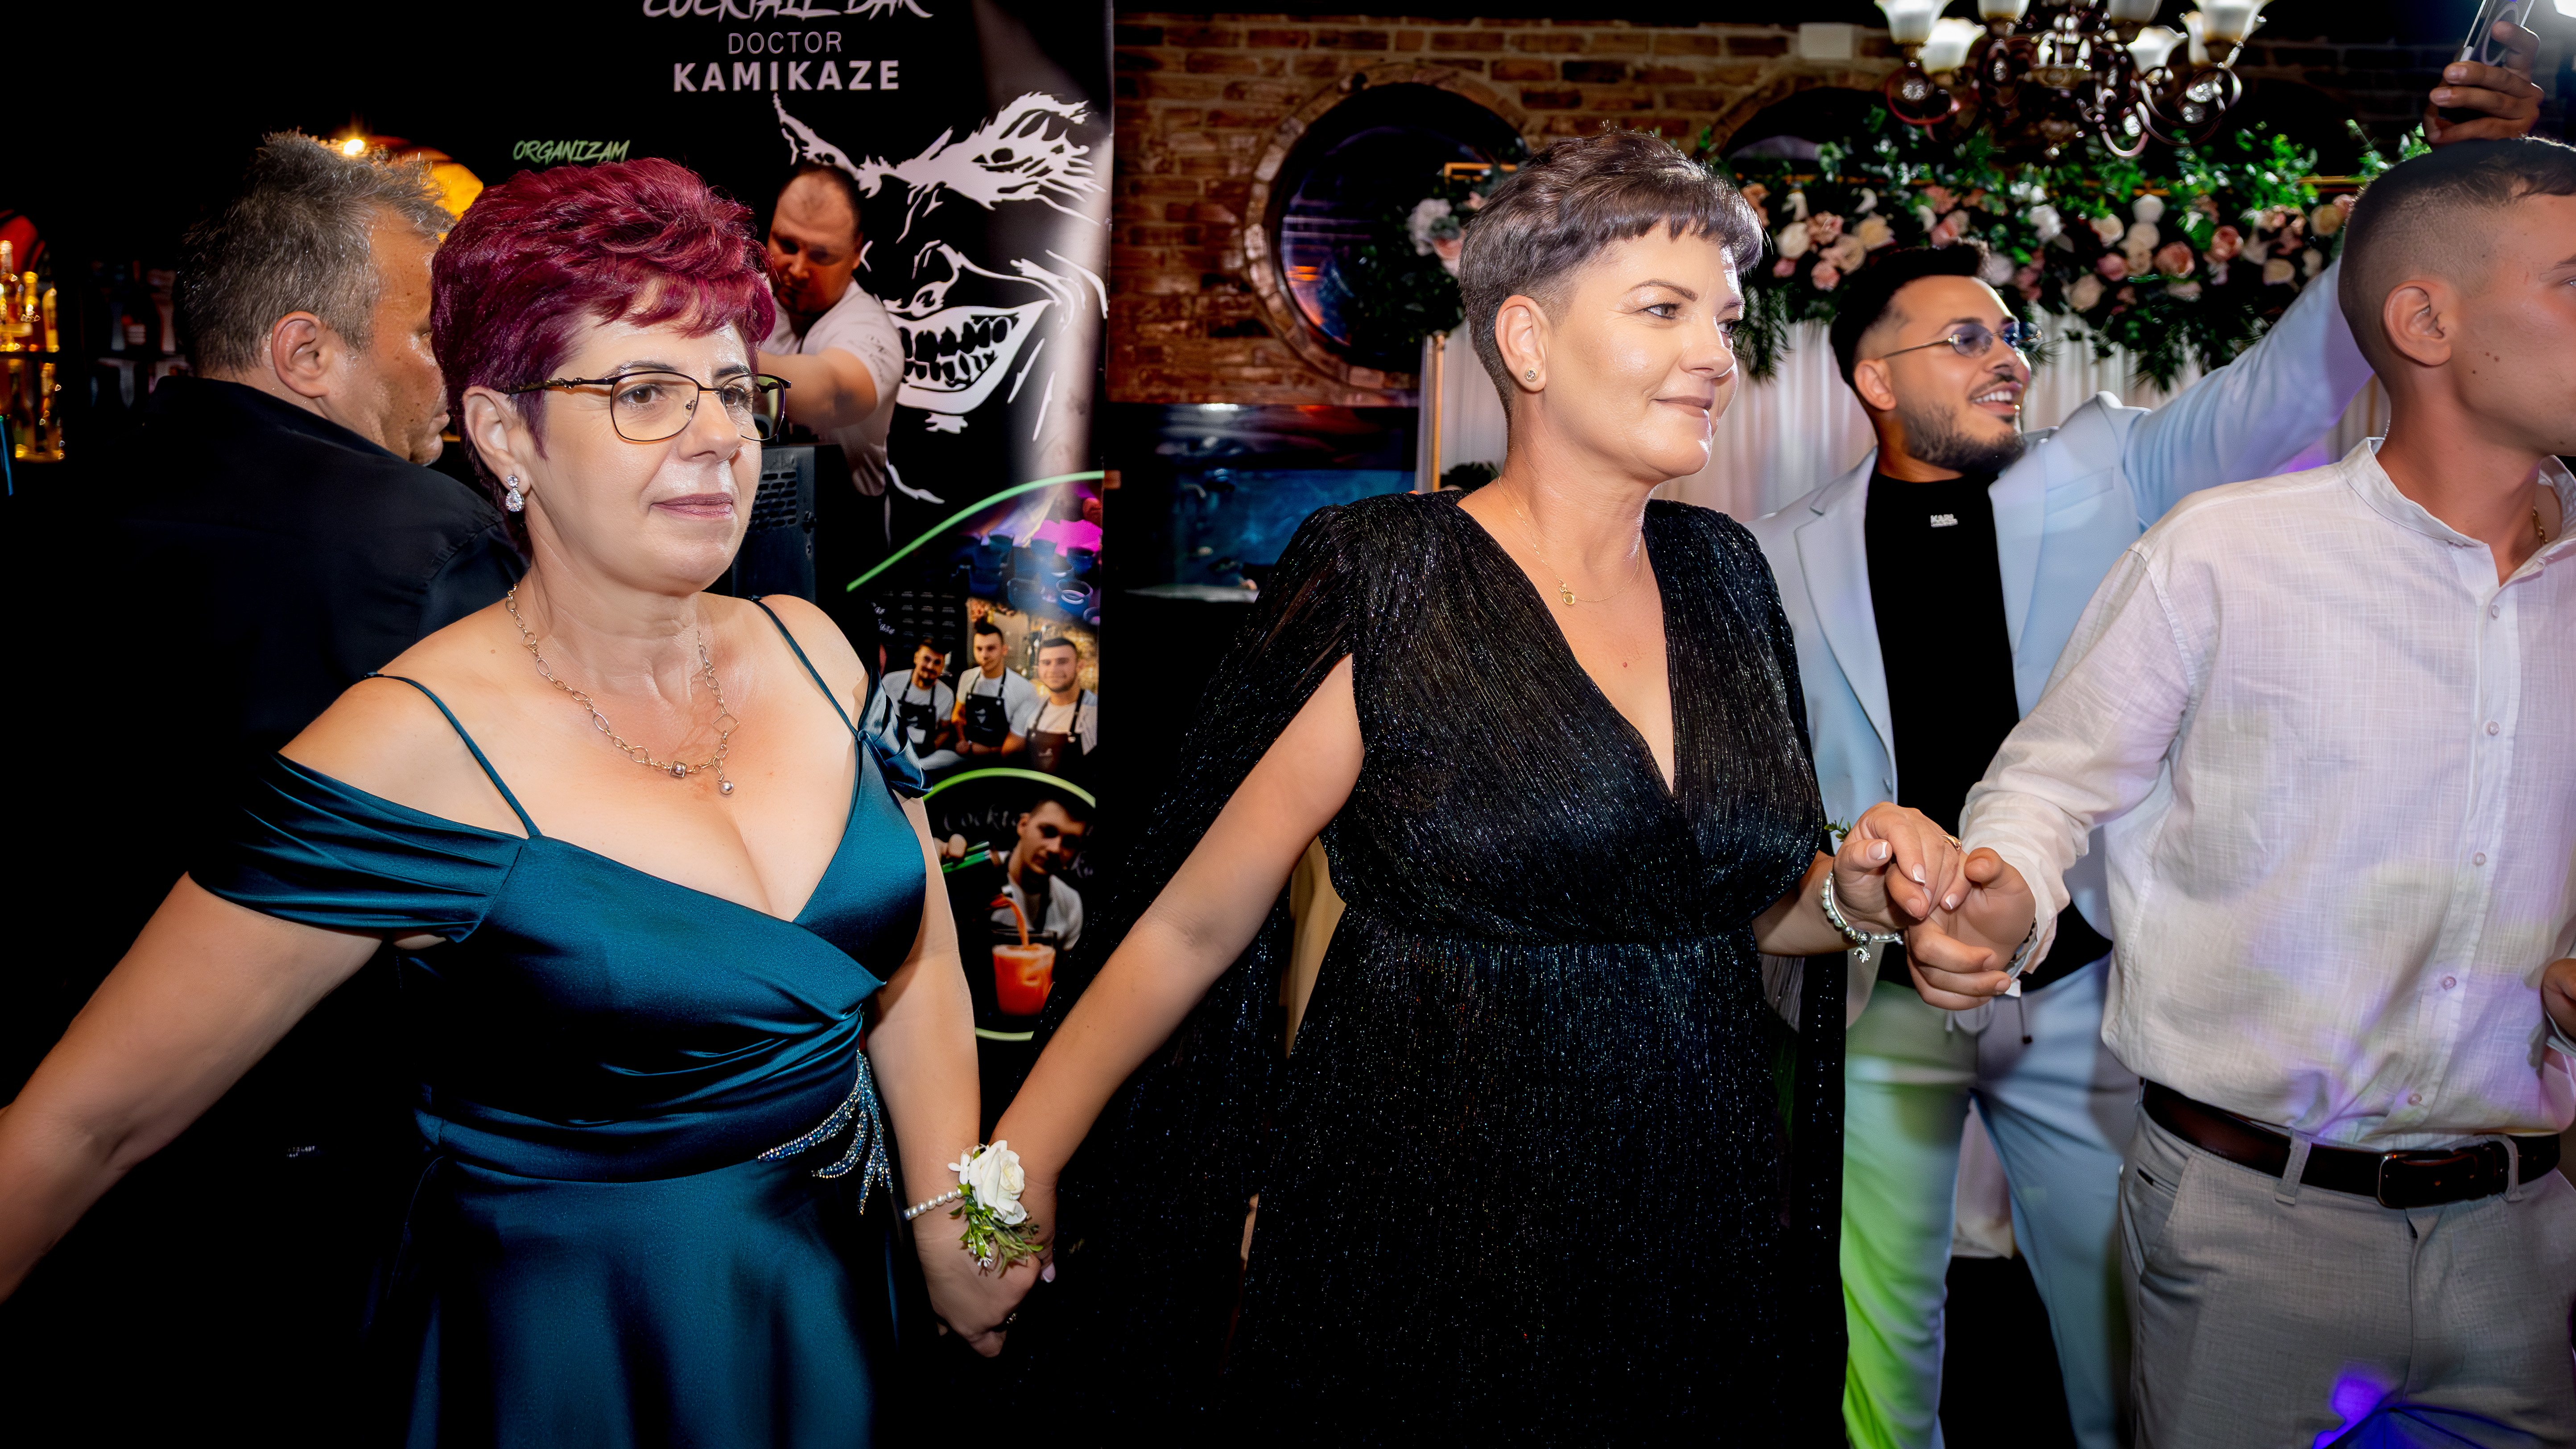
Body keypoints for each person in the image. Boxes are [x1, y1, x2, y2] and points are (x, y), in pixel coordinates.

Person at [976, 131, 1984, 1439]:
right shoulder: (1389, 578)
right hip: (1431, 1231)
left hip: (1696, 1217)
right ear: (1525, 339)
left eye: (1724, 320)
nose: (1712, 355)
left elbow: (1721, 901)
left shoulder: (1726, 575)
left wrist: (1854, 896)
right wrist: (1005, 1174)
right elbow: (1191, 922)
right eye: (1662, 310)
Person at [0, 157, 1014, 1443]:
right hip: (576, 1358)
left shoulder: (809, 648)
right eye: (643, 392)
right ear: (503, 433)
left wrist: (958, 1213)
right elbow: (83, 1124)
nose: (717, 434)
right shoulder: (408, 744)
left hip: (832, 1311)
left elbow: (920, 967)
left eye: (728, 388)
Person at [1743, 33, 2544, 1447]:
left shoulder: (2116, 468)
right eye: (1965, 337)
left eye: (2011, 332)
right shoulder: (1775, 548)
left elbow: (2293, 379)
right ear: (1871, 376)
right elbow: (1771, 762)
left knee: (2119, 1315)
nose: (2008, 356)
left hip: (2078, 983)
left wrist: (2426, 190)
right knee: (1880, 1321)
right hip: (1881, 987)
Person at [1929, 136, 2575, 1449]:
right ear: (2425, 322)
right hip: (2248, 1227)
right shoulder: (2225, 555)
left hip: (2523, 1234)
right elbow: (2049, 782)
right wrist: (2002, 897)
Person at [1, 133, 524, 1441]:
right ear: (306, 353)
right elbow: (503, 901)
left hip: (83, 1154)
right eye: (428, 330)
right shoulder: (432, 543)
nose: (455, 366)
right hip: (339, 1184)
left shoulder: (56, 508)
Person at [756, 162, 906, 530]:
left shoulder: (871, 331)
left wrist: (708, 354)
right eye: (786, 245)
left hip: (841, 528)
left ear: (856, 253)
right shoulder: (743, 293)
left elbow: (830, 395)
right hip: (757, 514)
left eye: (822, 255)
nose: (797, 270)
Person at [862, 635, 963, 774]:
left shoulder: (946, 695)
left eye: (937, 663)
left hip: (925, 755)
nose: (930, 667)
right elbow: (875, 719)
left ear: (942, 667)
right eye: (926, 659)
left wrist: (932, 747)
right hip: (892, 749)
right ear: (916, 658)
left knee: (957, 759)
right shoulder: (891, 681)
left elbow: (945, 730)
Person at [948, 617, 1037, 762]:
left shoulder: (1024, 688)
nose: (984, 656)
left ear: (1004, 650)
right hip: (968, 756)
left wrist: (988, 751)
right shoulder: (967, 677)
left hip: (1003, 762)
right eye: (979, 649)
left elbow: (1022, 744)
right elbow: (957, 715)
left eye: (991, 649)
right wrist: (962, 740)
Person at [1019, 635, 1098, 780]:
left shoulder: (1094, 712)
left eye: (1062, 662)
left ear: (1080, 666)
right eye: (1046, 663)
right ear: (1039, 668)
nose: (1053, 669)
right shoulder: (1032, 708)